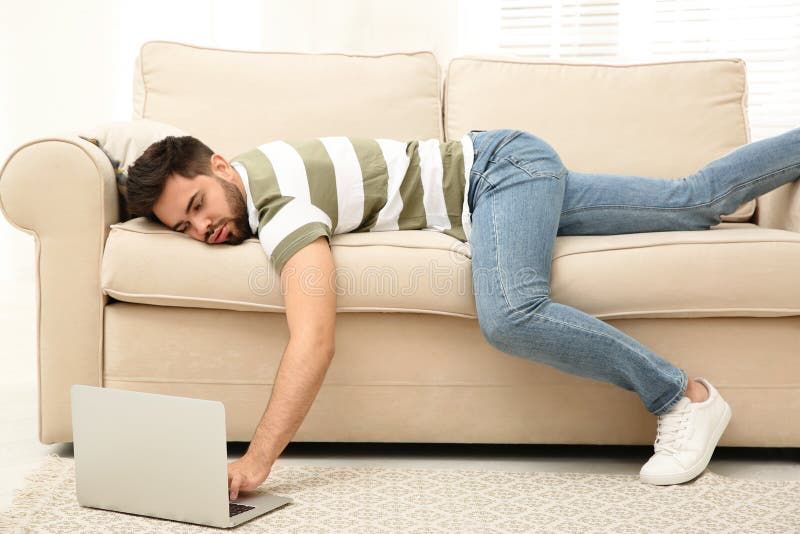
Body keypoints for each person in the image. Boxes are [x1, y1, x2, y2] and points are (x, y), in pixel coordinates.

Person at [125, 126, 800, 499]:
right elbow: (117, 139)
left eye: (197, 207)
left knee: (512, 313)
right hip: (510, 163)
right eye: (182, 228)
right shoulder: (248, 169)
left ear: (218, 164)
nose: (202, 228)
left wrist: (256, 461)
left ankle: (684, 395)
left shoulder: (278, 207)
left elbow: (313, 339)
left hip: (498, 176)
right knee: (694, 201)